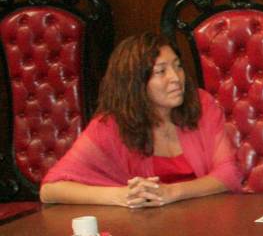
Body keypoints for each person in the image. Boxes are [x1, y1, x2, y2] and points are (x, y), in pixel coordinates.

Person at [40, 33, 242, 207]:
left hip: (207, 222)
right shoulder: (111, 125)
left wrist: (170, 193)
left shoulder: (201, 105)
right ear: (134, 83)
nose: (176, 78)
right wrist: (121, 195)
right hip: (147, 233)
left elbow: (228, 174)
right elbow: (50, 190)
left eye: (178, 66)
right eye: (161, 71)